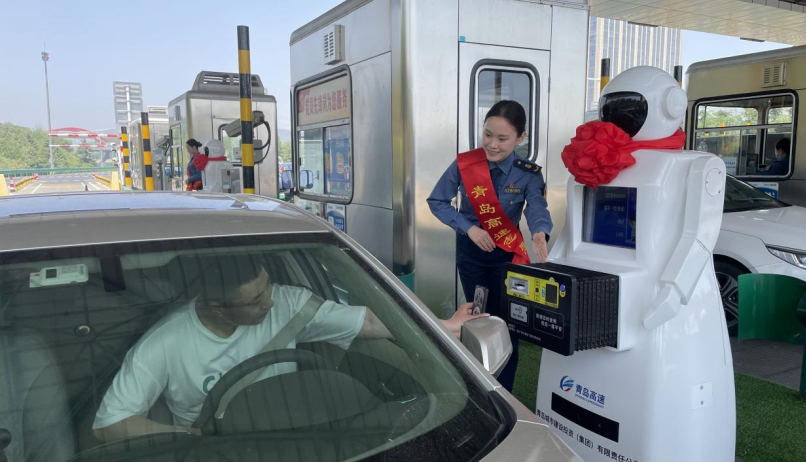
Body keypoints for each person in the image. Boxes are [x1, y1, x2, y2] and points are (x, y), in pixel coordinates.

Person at [92, 255, 485, 442]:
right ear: (215, 306)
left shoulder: (288, 301)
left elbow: (368, 322)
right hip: (221, 445)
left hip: (299, 433)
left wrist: (444, 327)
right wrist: (189, 434)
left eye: (267, 287)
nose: (269, 302)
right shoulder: (165, 343)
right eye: (254, 300)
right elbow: (110, 424)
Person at [427, 100, 553, 392]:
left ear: (520, 138)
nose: (492, 144)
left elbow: (536, 206)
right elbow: (437, 201)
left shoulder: (528, 173)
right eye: (487, 134)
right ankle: (477, 385)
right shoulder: (466, 164)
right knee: (476, 318)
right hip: (471, 256)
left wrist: (540, 232)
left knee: (508, 324)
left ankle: (505, 392)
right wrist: (468, 228)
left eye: (502, 138)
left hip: (507, 258)